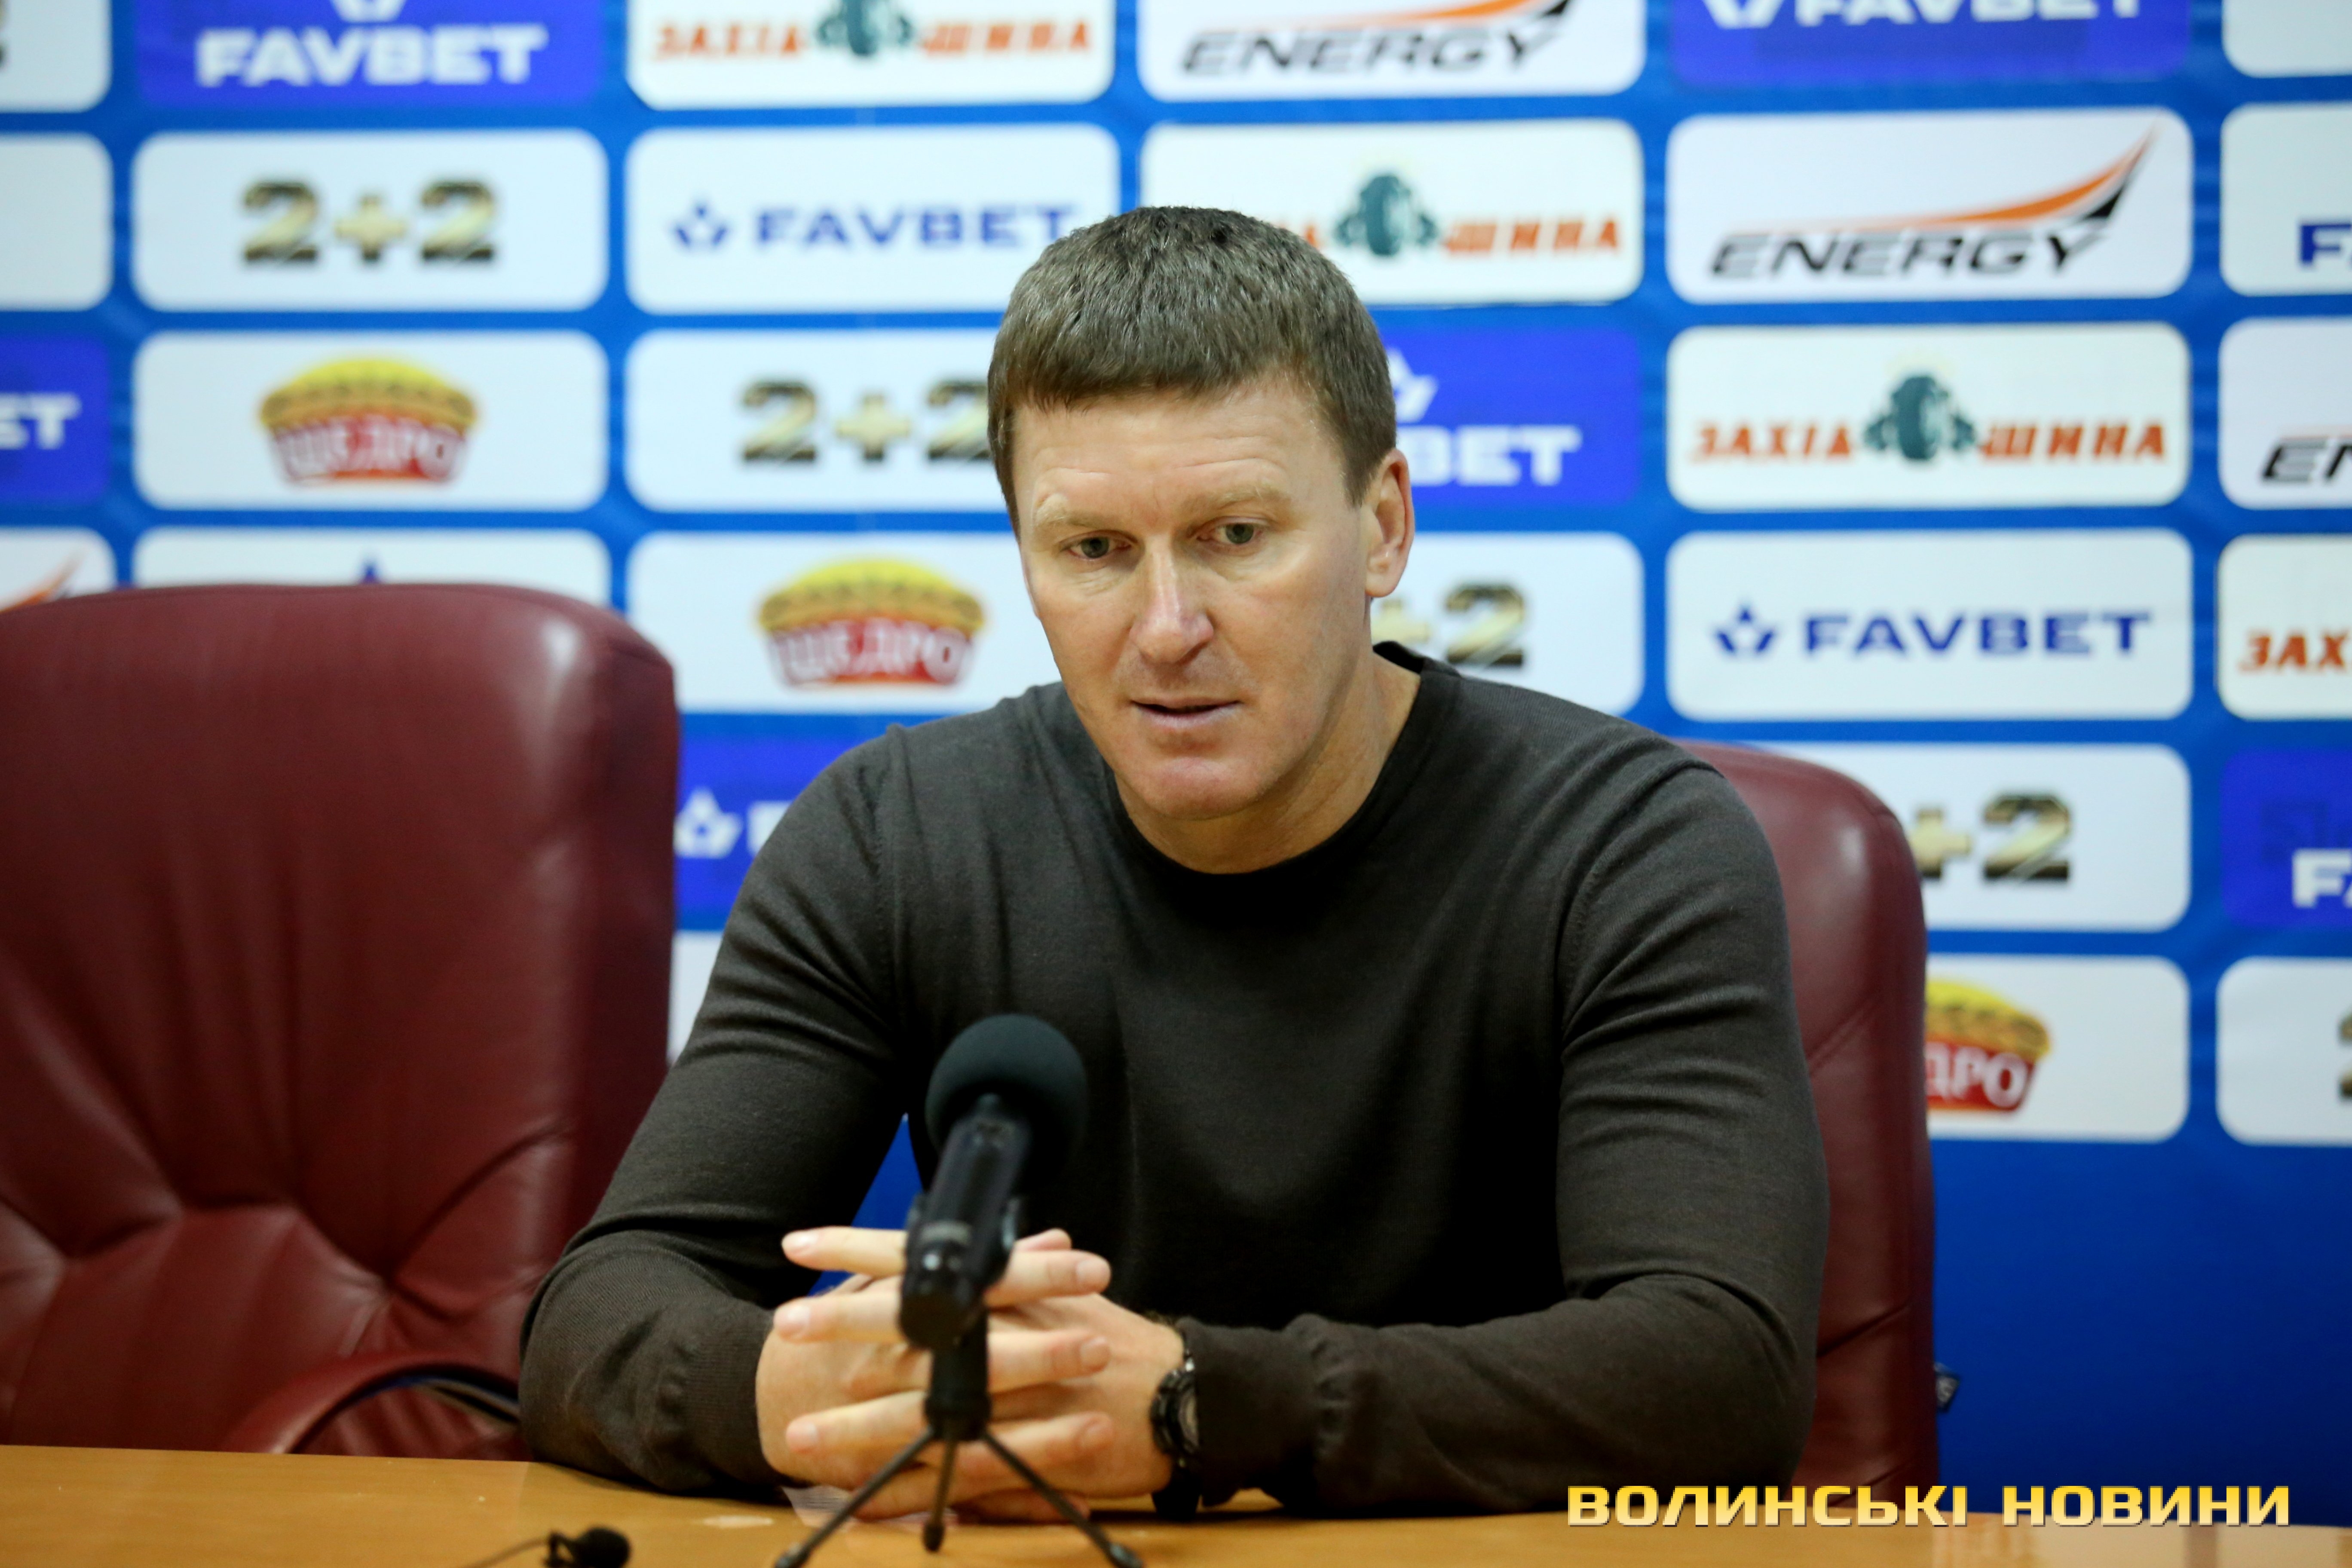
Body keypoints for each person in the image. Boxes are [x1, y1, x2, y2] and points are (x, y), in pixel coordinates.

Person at [519, 206, 1829, 1518]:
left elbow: (1719, 1372)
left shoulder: (1625, 846)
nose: (1165, 629)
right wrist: (813, 1394)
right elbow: (594, 1322)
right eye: (1094, 550)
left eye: (1235, 536)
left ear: (1383, 526)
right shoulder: (893, 836)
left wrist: (1198, 1407)